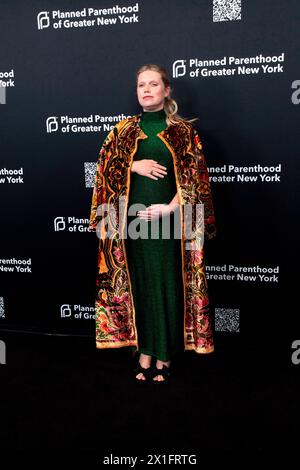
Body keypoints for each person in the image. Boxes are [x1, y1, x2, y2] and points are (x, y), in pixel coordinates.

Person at [89, 64, 217, 384]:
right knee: (140, 285)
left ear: (166, 90)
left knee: (166, 283)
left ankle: (164, 352)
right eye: (141, 85)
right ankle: (144, 349)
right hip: (130, 225)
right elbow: (104, 170)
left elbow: (194, 183)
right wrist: (134, 165)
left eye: (153, 84)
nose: (146, 90)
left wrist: (168, 209)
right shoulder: (122, 132)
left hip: (169, 223)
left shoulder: (184, 132)